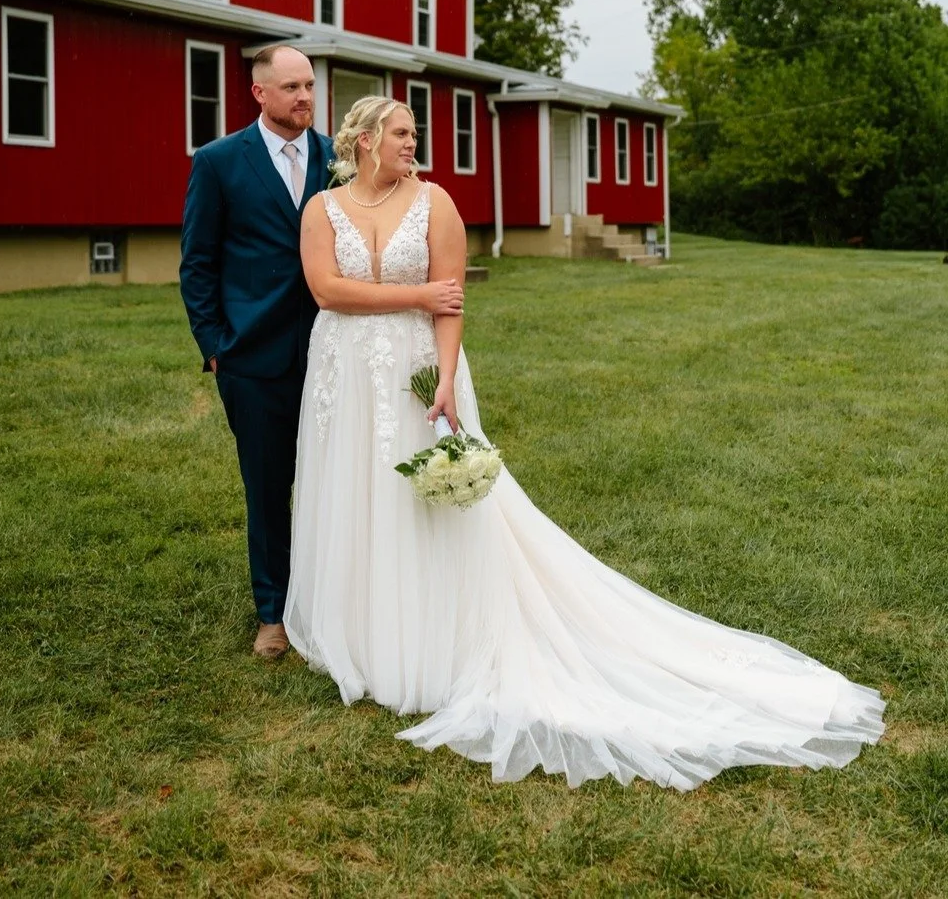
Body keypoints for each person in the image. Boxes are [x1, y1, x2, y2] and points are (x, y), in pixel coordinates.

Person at [284, 96, 885, 789]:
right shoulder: (322, 211)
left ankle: (425, 640)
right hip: (343, 374)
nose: (413, 144)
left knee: (426, 503)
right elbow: (327, 289)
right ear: (363, 141)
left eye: (414, 134)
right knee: (354, 490)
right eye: (401, 134)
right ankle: (361, 634)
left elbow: (452, 303)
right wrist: (418, 299)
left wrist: (446, 378)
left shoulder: (436, 203)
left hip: (418, 372)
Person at [180, 49, 464, 659]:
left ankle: (349, 602)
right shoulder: (219, 162)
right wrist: (215, 350)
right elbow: (197, 264)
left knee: (340, 479)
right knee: (268, 483)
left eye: (310, 85)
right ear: (260, 93)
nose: (304, 96)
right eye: (291, 87)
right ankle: (273, 614)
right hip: (253, 356)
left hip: (342, 354)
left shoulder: (337, 168)